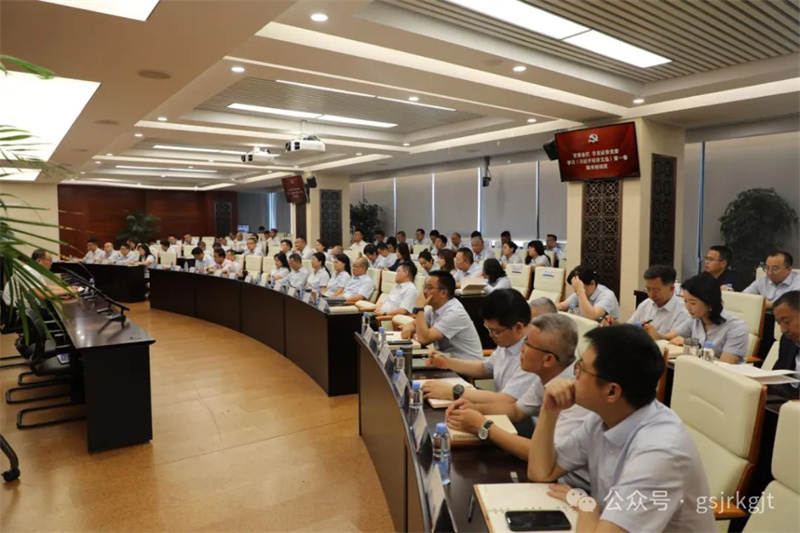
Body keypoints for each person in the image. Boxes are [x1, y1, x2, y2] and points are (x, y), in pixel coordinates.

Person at [528, 325, 714, 533]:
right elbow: (541, 472)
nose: (573, 377)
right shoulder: (604, 418)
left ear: (612, 392)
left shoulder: (659, 454)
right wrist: (549, 411)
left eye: (581, 369)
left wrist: (586, 505)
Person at [445, 314, 591, 493]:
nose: (521, 348)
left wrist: (484, 426)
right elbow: (516, 410)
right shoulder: (548, 374)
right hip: (545, 473)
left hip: (572, 487)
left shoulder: (575, 395)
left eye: (527, 344)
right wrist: (470, 407)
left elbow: (544, 456)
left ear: (548, 360)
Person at [423, 289, 537, 403]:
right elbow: (485, 368)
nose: (491, 335)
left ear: (518, 327)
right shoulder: (508, 342)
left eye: (496, 331)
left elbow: (508, 400)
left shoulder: (534, 354)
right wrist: (447, 362)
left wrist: (455, 392)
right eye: (489, 329)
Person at [662, 273, 750, 364]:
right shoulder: (695, 319)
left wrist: (692, 348)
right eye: (685, 301)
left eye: (693, 303)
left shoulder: (736, 328)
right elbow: (667, 337)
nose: (687, 307)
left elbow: (725, 365)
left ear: (710, 303)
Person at [400, 271, 483, 360]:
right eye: (425, 287)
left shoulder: (454, 312)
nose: (424, 292)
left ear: (443, 293)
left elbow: (424, 339)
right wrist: (408, 327)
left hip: (466, 365)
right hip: (446, 360)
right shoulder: (435, 308)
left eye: (429, 288)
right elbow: (414, 324)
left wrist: (419, 308)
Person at [627, 265, 689, 337]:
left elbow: (673, 341)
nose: (651, 295)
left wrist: (655, 336)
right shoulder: (645, 304)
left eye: (656, 290)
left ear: (671, 289)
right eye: (648, 289)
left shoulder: (683, 312)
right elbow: (629, 328)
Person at [2, 249, 76, 308]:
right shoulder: (29, 271)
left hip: (25, 305)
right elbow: (41, 295)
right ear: (39, 261)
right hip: (18, 310)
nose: (51, 263)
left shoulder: (33, 270)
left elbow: (45, 287)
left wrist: (66, 289)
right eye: (50, 260)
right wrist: (67, 291)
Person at [771, 291, 799, 388]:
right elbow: (777, 375)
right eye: (779, 323)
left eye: (787, 322)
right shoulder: (787, 341)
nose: (783, 330)